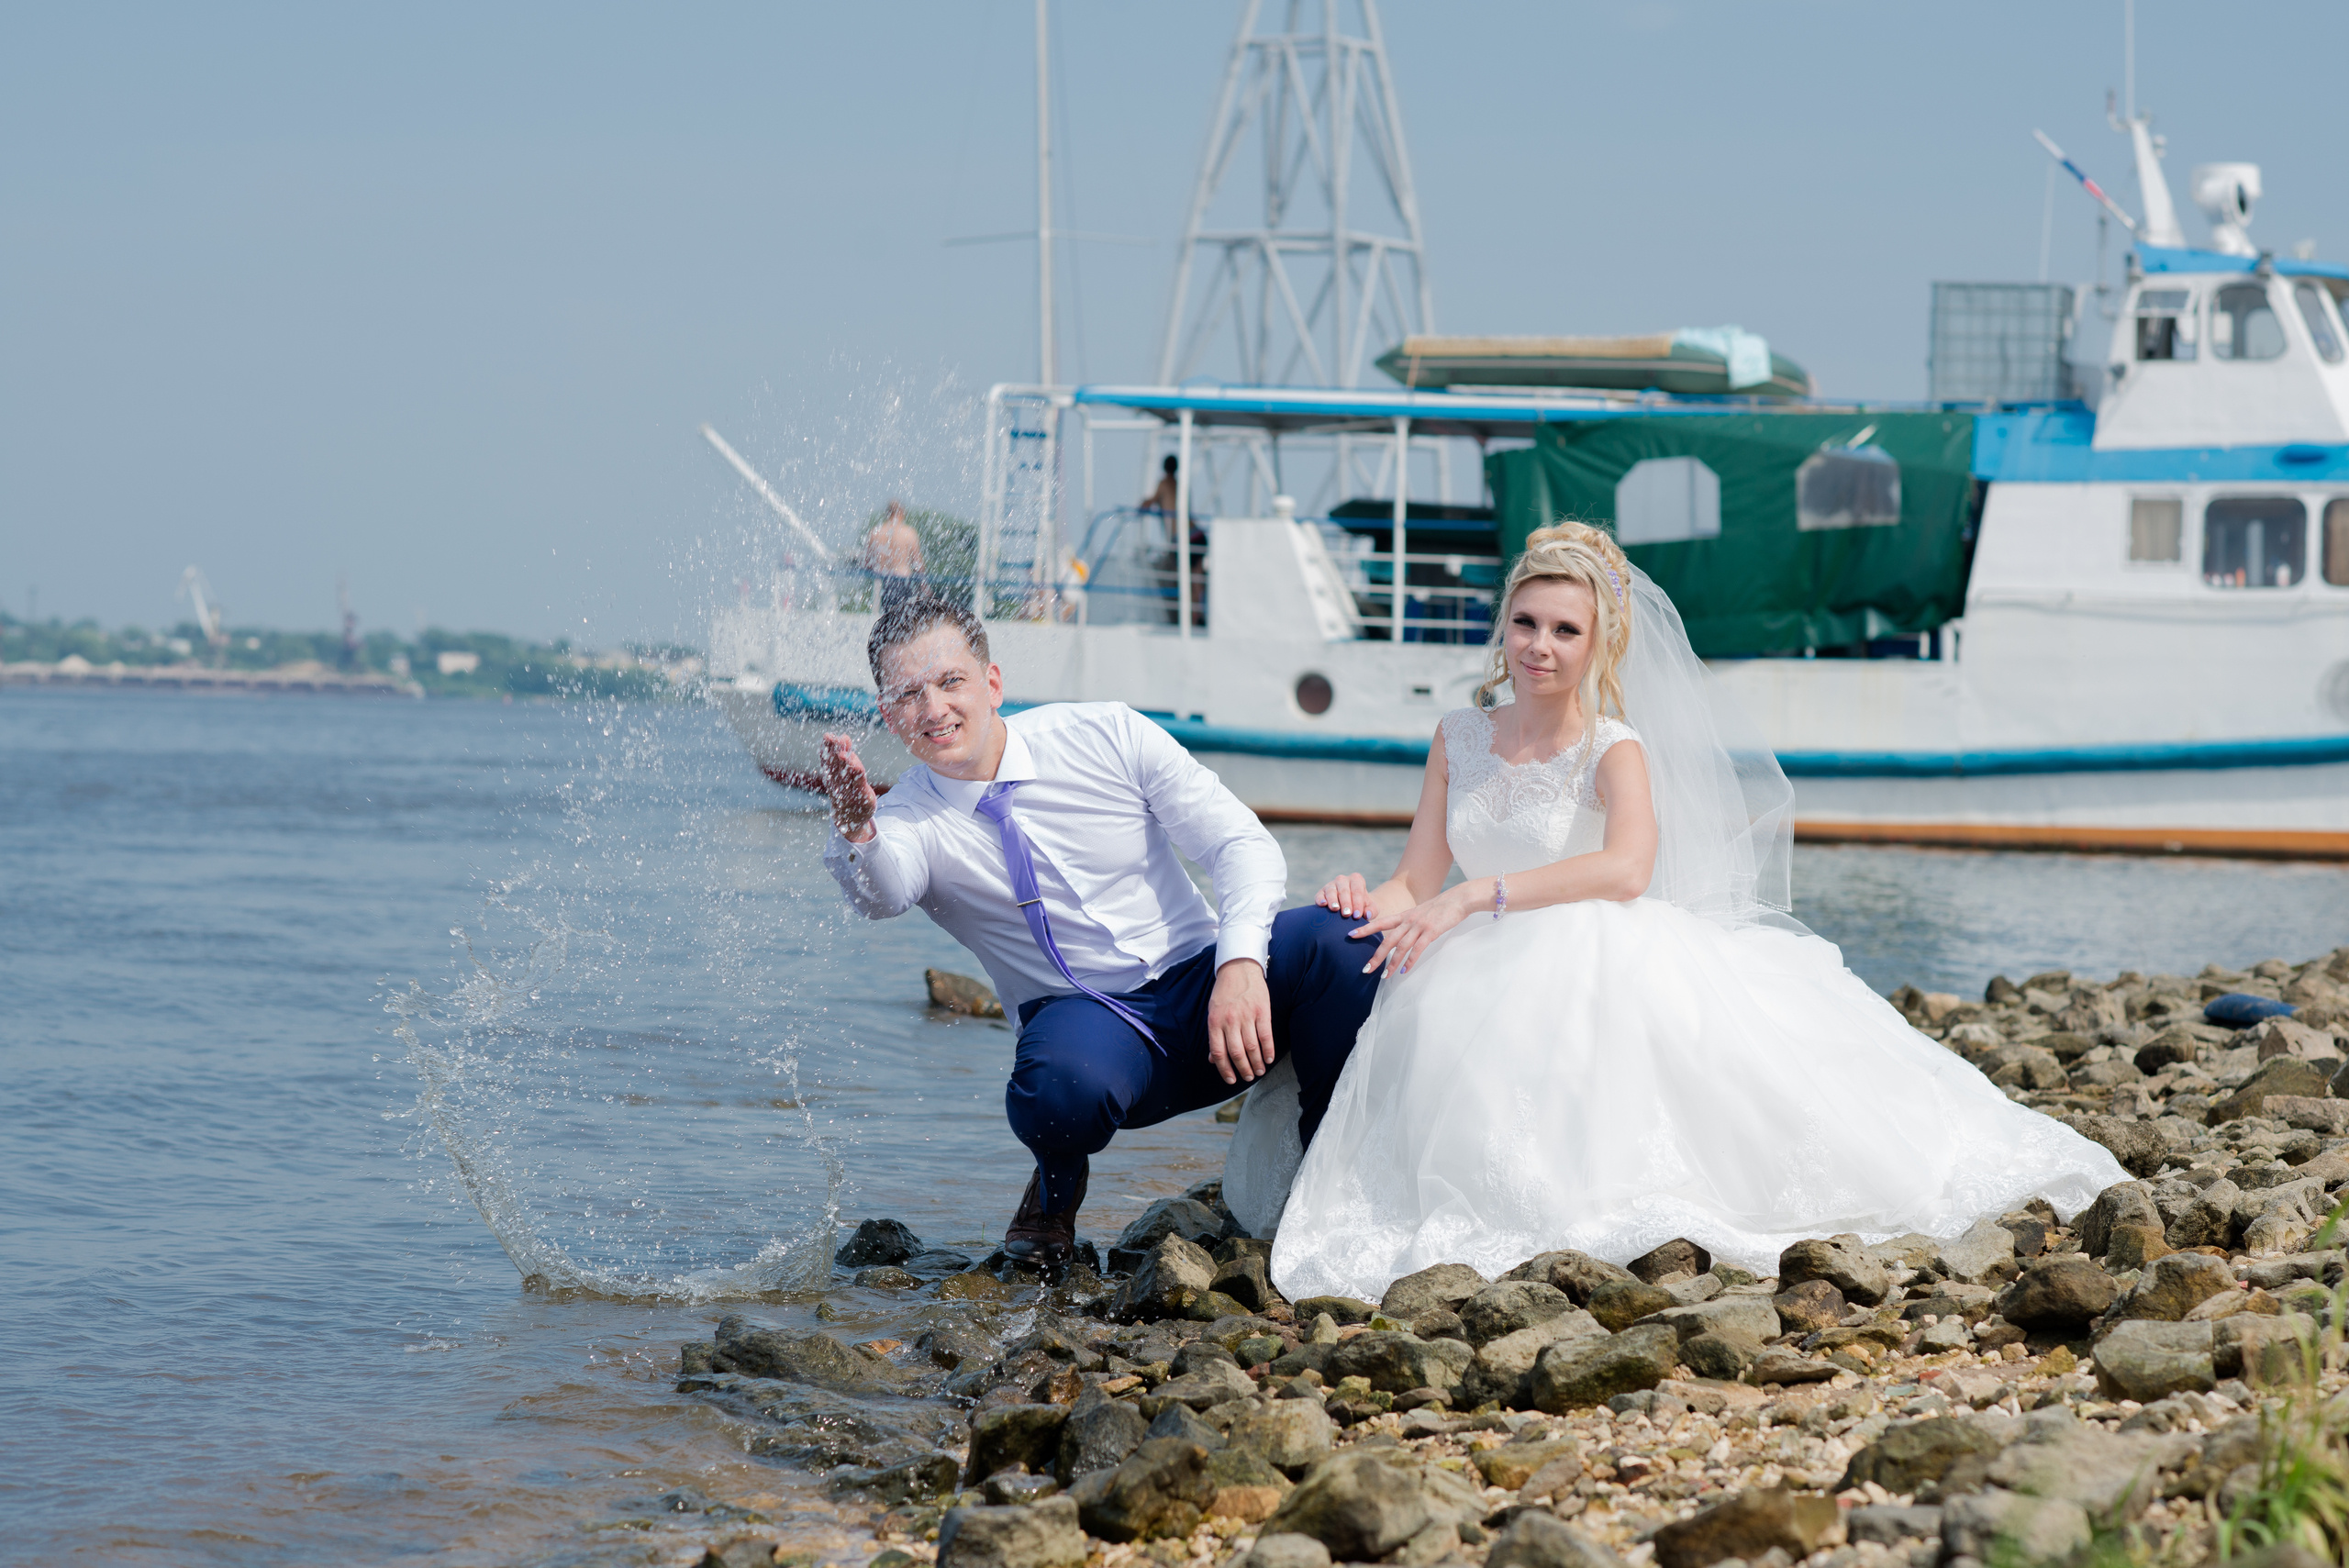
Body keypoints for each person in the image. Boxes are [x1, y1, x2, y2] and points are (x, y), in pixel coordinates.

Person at [1250, 521, 2130, 1303]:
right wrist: (1364, 893)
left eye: (1565, 630)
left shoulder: (1610, 745)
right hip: (1467, 957)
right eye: (1526, 623)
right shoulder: (1459, 735)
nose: (1540, 647)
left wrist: (1481, 895)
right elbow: (1416, 876)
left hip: (1584, 943)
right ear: (1502, 626)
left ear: (1598, 644)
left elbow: (1629, 868)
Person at [818, 593, 1381, 1269]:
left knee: (1345, 940)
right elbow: (882, 892)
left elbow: (1240, 843)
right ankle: (1055, 1192)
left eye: (950, 681)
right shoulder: (906, 816)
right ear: (888, 714)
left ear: (992, 682)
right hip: (1091, 1029)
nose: (934, 708)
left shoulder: (1105, 733)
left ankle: (1328, 1182)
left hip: (1209, 988)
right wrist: (857, 827)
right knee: (1057, 1090)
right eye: (909, 694)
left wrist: (1239, 965)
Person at [862, 501, 926, 617]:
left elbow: (867, 563)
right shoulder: (909, 533)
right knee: (905, 621)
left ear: (887, 514)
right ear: (901, 513)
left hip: (882, 583)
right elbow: (918, 564)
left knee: (886, 622)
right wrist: (924, 585)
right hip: (903, 582)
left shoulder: (876, 532)